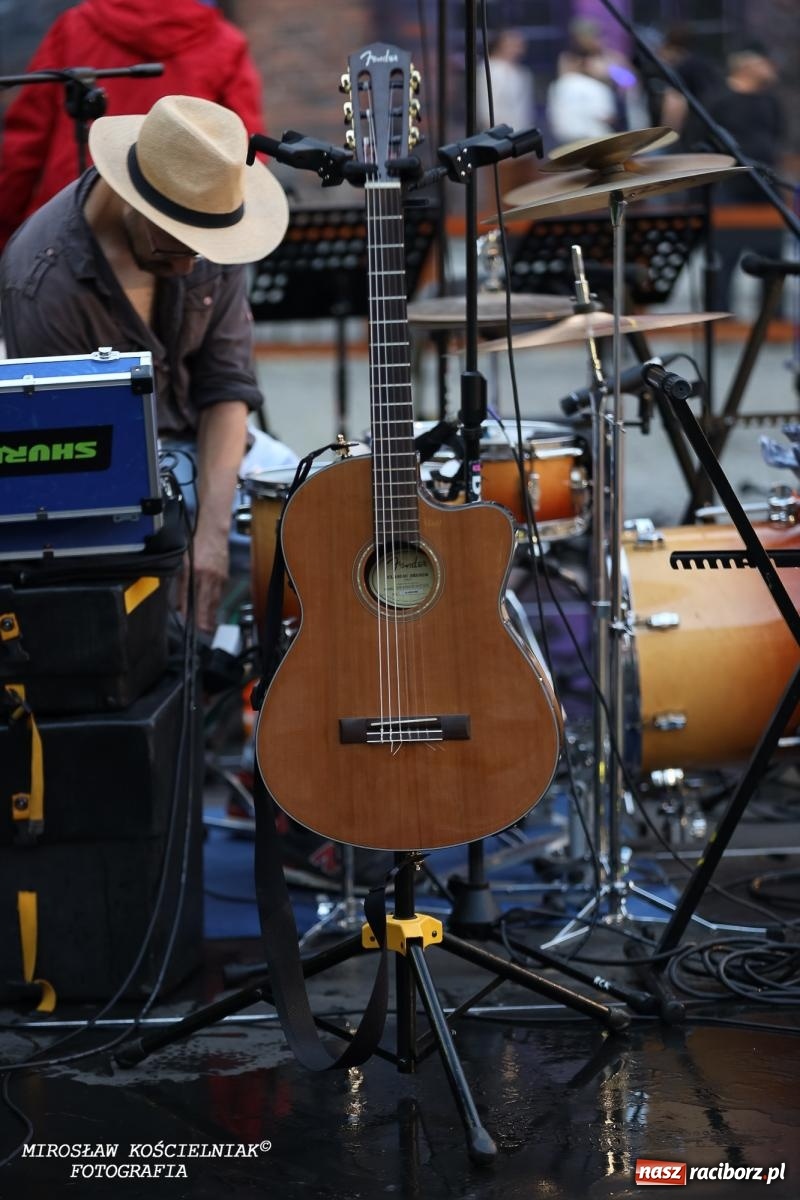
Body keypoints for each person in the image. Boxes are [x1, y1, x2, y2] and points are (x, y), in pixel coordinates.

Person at [0, 94, 293, 634]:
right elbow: (73, 463)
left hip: (207, 439)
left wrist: (210, 533)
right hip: (106, 470)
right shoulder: (42, 282)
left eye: (200, 251)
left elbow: (226, 388)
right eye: (172, 249)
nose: (186, 266)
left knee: (309, 519)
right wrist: (171, 540)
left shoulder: (206, 227)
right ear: (132, 199)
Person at [0, 0, 265, 254]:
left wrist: (7, 231)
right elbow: (244, 151)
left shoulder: (75, 26)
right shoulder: (223, 42)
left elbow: (24, 145)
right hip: (175, 229)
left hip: (70, 215)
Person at [681, 39, 787, 309]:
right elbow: (695, 140)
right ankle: (721, 315)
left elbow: (776, 135)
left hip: (765, 188)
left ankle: (772, 317)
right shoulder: (717, 100)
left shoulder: (770, 100)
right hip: (729, 189)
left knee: (773, 259)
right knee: (724, 260)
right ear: (747, 65)